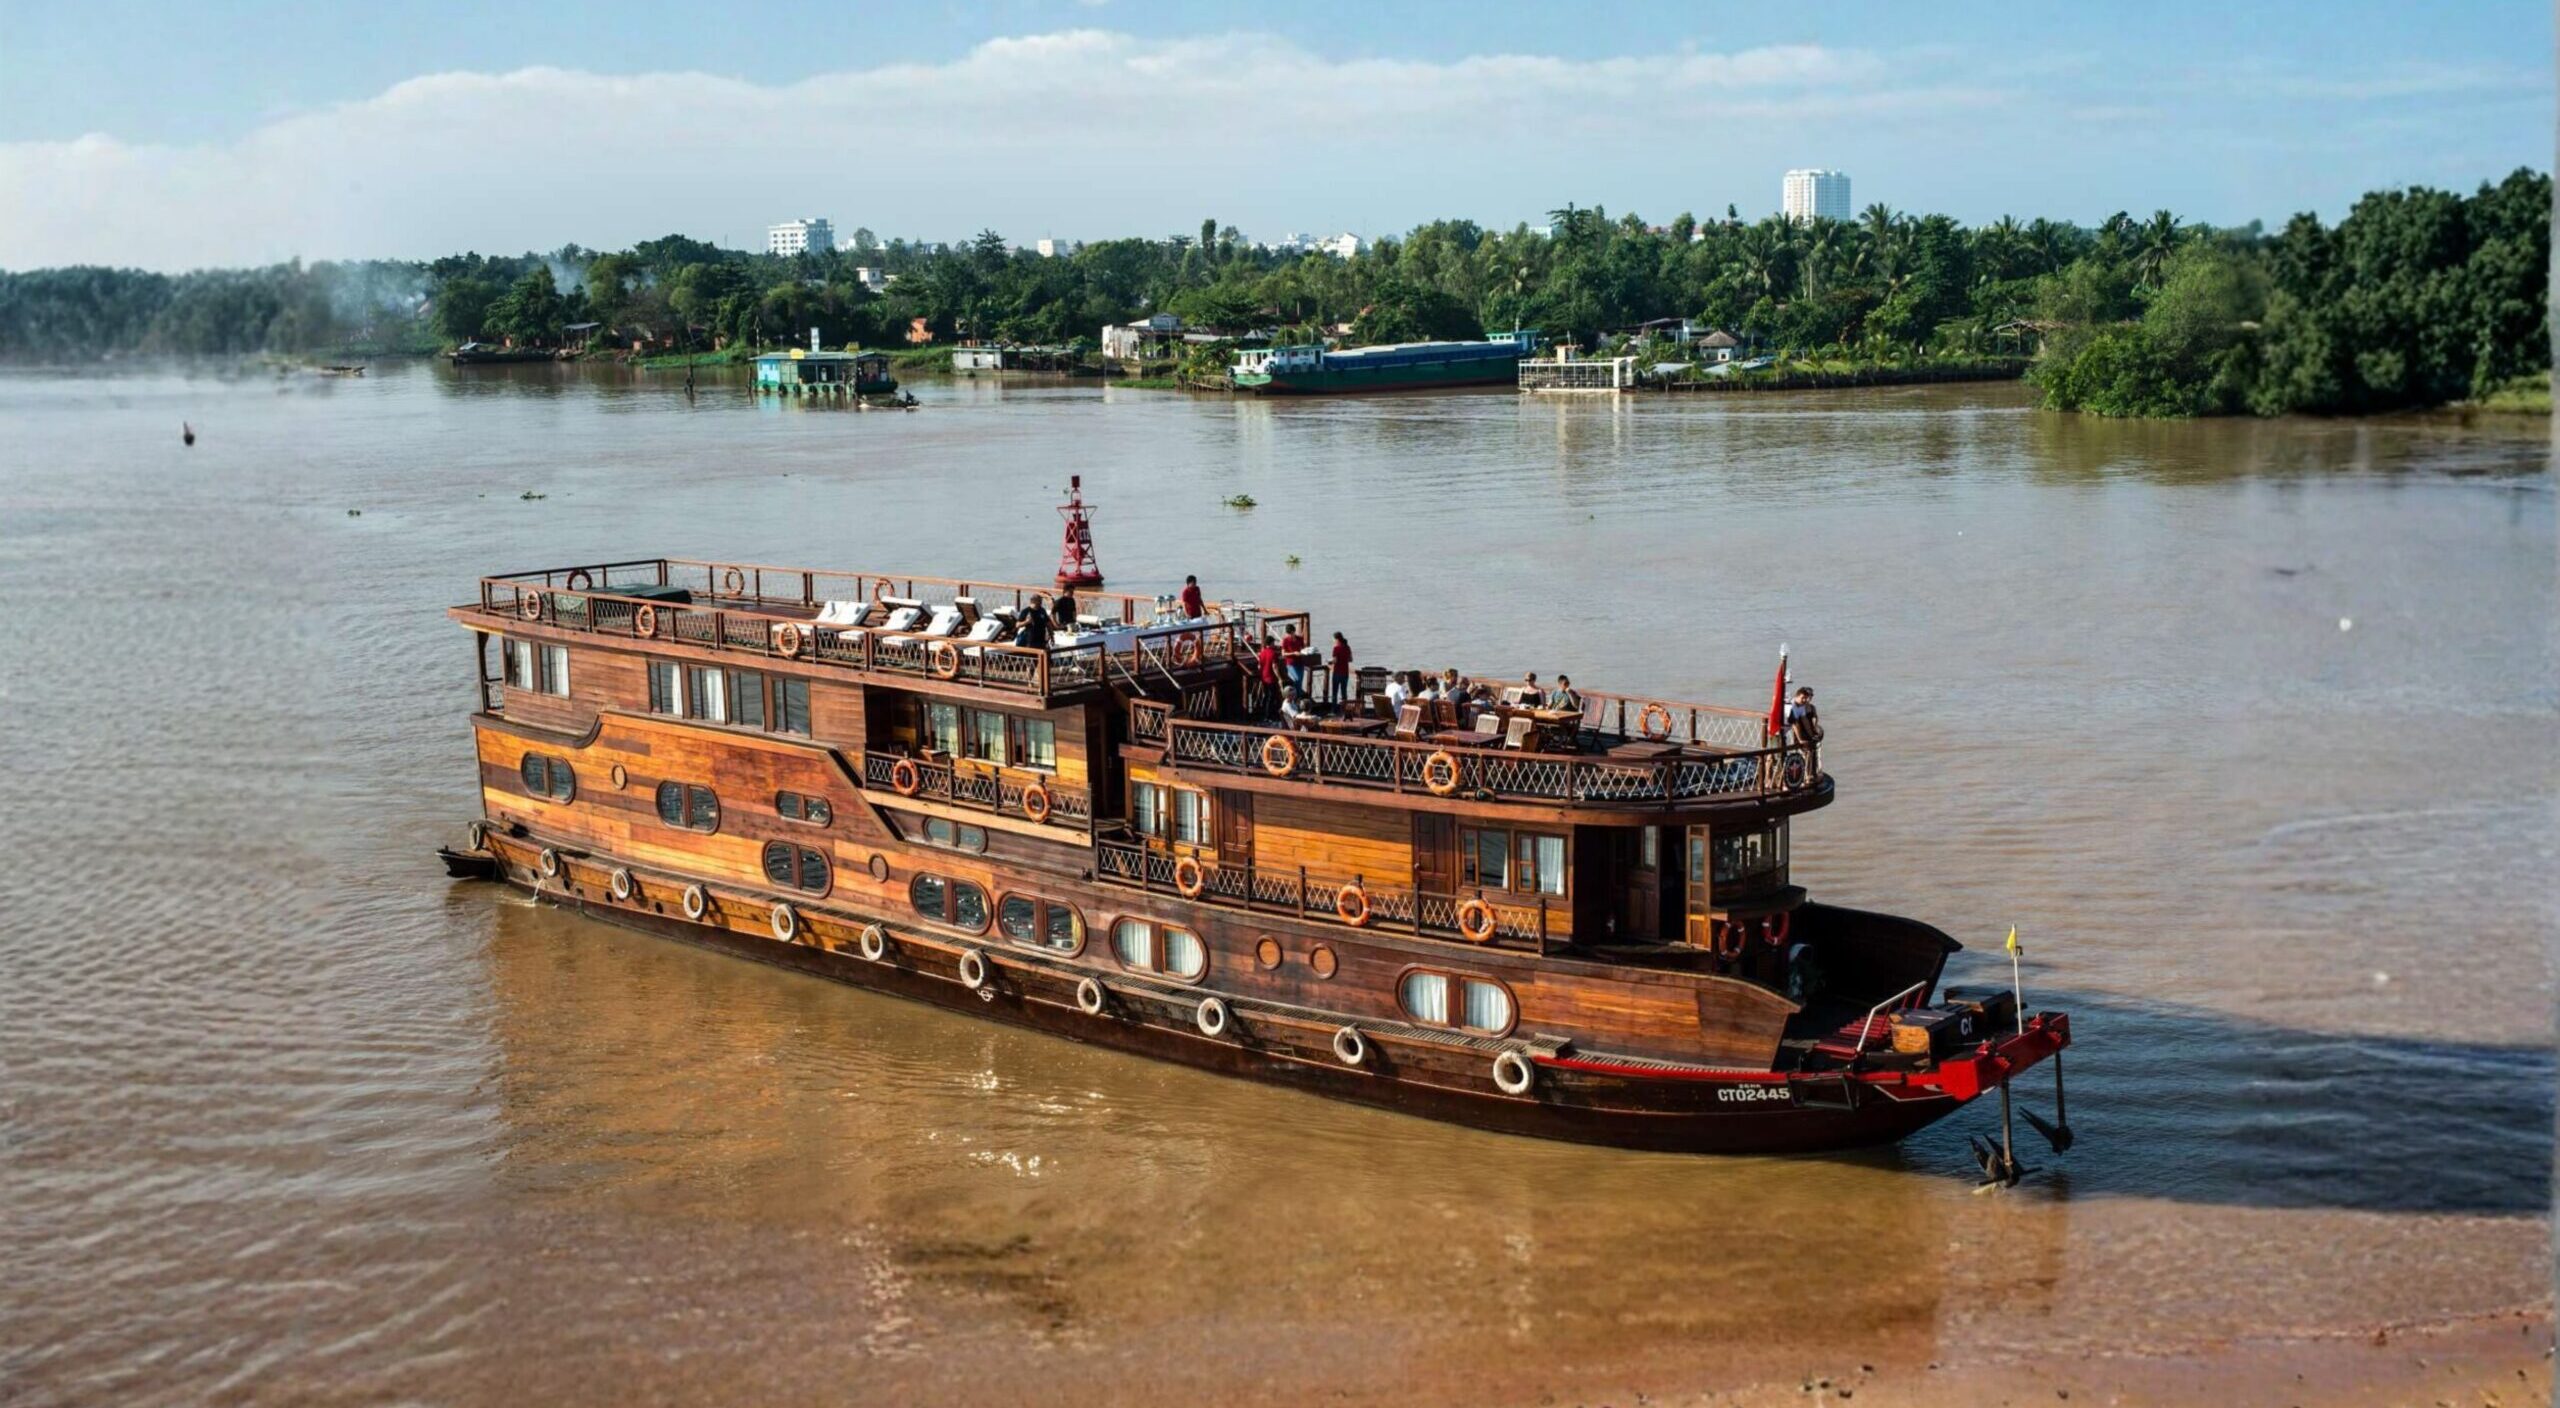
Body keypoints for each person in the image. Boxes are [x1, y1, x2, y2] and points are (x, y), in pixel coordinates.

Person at [1253, 633, 1282, 717]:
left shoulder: (1262, 653)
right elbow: (1275, 667)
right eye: (1273, 642)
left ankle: (1264, 713)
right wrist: (1279, 678)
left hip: (1263, 677)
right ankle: (1269, 714)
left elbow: (1259, 666)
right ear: (1271, 643)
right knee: (1272, 696)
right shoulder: (1273, 653)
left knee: (1266, 695)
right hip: (1271, 678)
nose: (1274, 644)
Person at [1325, 632, 1353, 707]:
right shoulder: (1347, 647)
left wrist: (1329, 662)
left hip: (1337, 672)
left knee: (1335, 692)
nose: (1333, 641)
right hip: (1345, 673)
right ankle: (1344, 709)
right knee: (1344, 692)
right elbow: (1350, 659)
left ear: (1337, 639)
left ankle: (1333, 710)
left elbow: (1335, 661)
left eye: (1334, 639)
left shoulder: (1336, 648)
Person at [1280, 625, 1307, 695]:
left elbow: (1303, 649)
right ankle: (1296, 695)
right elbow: (1283, 654)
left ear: (1294, 631)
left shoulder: (1299, 639)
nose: (1290, 635)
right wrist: (1293, 653)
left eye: (1291, 633)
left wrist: (1303, 651)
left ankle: (1298, 696)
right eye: (1289, 634)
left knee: (1300, 680)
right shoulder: (1285, 640)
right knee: (1297, 679)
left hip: (1300, 662)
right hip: (1291, 663)